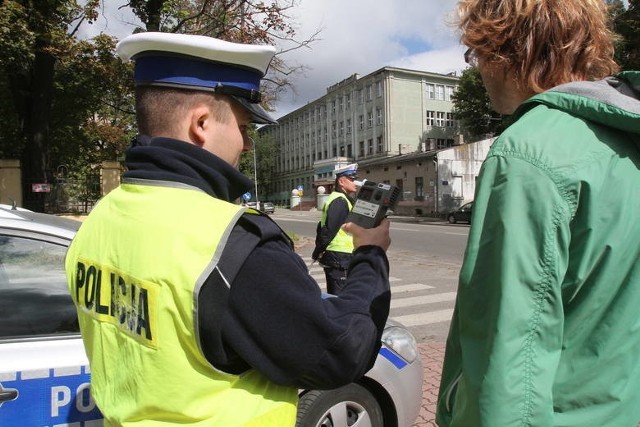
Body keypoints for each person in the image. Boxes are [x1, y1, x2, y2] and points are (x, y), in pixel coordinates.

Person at [65, 32, 392, 427]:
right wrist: (371, 255)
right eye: (242, 125)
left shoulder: (100, 218)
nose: (247, 145)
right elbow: (341, 353)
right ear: (201, 123)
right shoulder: (231, 243)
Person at [436, 1, 640, 426]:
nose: (478, 69)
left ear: (504, 49)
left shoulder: (528, 151)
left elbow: (513, 355)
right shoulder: (626, 141)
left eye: (476, 53)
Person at [312, 163, 360, 294]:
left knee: (341, 297)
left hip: (341, 256)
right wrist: (318, 251)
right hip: (339, 257)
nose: (355, 182)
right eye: (352, 179)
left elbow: (321, 226)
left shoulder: (342, 198)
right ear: (341, 181)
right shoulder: (340, 201)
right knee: (339, 299)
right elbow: (328, 229)